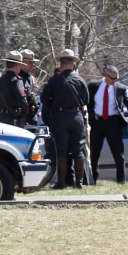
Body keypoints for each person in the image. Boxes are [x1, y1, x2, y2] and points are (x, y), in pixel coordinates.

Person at [40, 49, 89, 189]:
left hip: (59, 117)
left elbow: (44, 99)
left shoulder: (54, 80)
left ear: (60, 63)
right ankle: (79, 182)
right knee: (78, 150)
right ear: (73, 63)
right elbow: (86, 100)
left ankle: (61, 182)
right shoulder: (80, 80)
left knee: (61, 151)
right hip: (76, 117)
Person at [88, 65, 128, 184]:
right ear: (106, 75)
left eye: (116, 78)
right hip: (97, 122)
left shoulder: (120, 88)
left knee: (118, 153)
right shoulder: (93, 86)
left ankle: (121, 180)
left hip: (113, 122)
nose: (115, 81)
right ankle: (93, 179)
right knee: (94, 153)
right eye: (112, 78)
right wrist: (91, 116)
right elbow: (88, 102)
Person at [0, 51, 28, 127]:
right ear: (17, 65)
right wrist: (22, 115)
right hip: (14, 120)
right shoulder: (17, 81)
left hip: (1, 119)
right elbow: (23, 101)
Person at [19, 49, 40, 127]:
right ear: (22, 62)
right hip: (20, 117)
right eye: (30, 62)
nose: (32, 65)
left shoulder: (31, 78)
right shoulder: (16, 78)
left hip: (32, 116)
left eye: (33, 62)